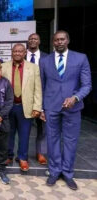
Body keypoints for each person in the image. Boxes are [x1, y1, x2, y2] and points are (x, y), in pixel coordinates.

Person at [40, 30, 91, 190]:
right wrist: (41, 108)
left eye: (62, 39)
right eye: (56, 40)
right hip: (51, 107)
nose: (59, 42)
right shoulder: (45, 61)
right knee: (52, 139)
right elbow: (41, 86)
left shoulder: (80, 58)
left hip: (73, 108)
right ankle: (54, 171)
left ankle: (68, 173)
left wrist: (75, 98)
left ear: (67, 40)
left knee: (70, 141)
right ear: (53, 42)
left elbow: (87, 85)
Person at [1, 43, 42, 171]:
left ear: (25, 53)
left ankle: (23, 158)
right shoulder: (3, 67)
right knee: (9, 133)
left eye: (20, 51)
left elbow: (38, 89)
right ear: (12, 53)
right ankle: (8, 156)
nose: (17, 53)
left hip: (26, 107)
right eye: (15, 51)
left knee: (25, 134)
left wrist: (37, 107)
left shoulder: (33, 68)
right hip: (8, 107)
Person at [26, 33, 48, 165]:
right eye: (30, 39)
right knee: (24, 128)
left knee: (42, 128)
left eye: (35, 39)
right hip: (25, 98)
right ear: (28, 41)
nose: (33, 41)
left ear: (39, 41)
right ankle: (22, 153)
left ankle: (40, 152)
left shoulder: (47, 57)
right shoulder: (21, 56)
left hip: (43, 96)